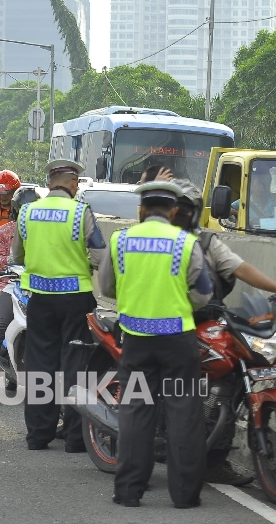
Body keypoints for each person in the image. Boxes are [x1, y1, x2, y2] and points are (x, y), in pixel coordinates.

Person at [99, 180, 212, 508]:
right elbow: (203, 294)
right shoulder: (186, 242)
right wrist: (178, 302)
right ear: (174, 210)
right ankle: (185, 496)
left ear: (142, 209)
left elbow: (106, 287)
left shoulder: (120, 241)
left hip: (135, 342)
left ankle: (129, 492)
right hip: (178, 342)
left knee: (136, 412)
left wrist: (135, 298)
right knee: (183, 415)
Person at [160, 176, 276, 485]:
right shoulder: (155, 239)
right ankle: (147, 449)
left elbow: (241, 269)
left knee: (234, 373)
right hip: (158, 327)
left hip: (204, 322)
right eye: (177, 206)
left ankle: (214, 457)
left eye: (188, 207)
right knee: (160, 388)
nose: (182, 213)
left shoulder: (207, 242)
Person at [11, 159, 106, 452]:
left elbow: (17, 255)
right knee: (77, 365)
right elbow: (101, 257)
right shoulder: (81, 212)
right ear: (74, 183)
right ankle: (76, 438)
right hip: (76, 298)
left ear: (50, 183)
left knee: (40, 363)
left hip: (39, 299)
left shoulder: (27, 212)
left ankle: (39, 435)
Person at [0, 186, 39, 401]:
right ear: (17, 211)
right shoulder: (5, 231)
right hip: (9, 285)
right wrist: (14, 264)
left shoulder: (45, 233)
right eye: (24, 211)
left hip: (39, 288)